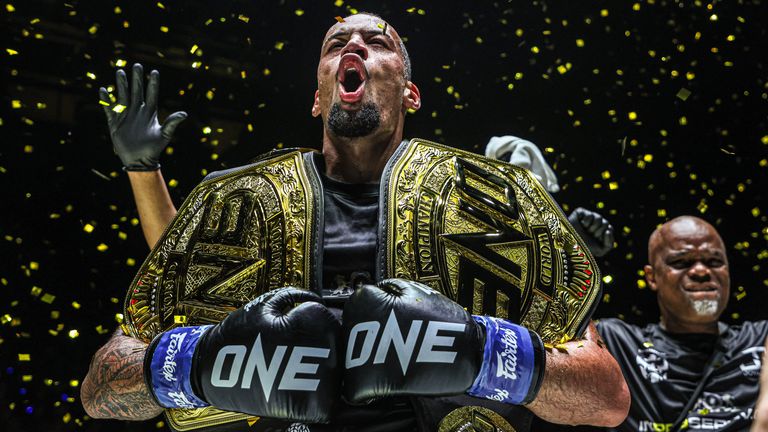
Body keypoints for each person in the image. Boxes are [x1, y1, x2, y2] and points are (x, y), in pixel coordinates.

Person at [81, 13, 630, 431]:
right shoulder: (239, 203)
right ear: (317, 98)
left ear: (411, 93)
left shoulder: (492, 203)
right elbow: (101, 389)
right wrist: (198, 364)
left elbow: (606, 398)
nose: (354, 46)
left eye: (378, 42)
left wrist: (481, 353)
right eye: (336, 43)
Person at [597, 216, 768, 431]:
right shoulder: (616, 343)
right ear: (652, 277)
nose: (701, 271)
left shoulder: (761, 339)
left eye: (714, 262)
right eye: (681, 263)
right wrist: (567, 252)